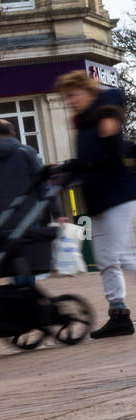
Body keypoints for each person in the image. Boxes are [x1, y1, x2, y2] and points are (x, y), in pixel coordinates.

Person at [56, 72, 136, 338]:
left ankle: (119, 314)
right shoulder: (82, 123)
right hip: (98, 198)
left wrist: (84, 164)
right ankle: (119, 314)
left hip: (118, 195)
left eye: (73, 95)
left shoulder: (105, 108)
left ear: (88, 92)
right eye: (67, 97)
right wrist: (68, 170)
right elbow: (89, 159)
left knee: (121, 255)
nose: (70, 101)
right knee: (105, 258)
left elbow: (110, 152)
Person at [0, 119, 47, 287]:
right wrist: (56, 211)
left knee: (11, 262)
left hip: (2, 219)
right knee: (29, 261)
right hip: (29, 216)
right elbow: (42, 182)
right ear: (13, 133)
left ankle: (19, 293)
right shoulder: (27, 152)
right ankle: (27, 296)